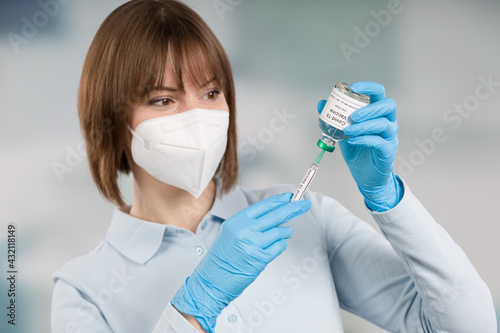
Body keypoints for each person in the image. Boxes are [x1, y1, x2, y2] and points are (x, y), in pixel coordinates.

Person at [51, 1, 497, 332]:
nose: (198, 116)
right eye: (163, 99)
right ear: (111, 122)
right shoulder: (83, 291)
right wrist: (194, 306)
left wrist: (388, 198)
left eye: (210, 93)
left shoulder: (308, 219)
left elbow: (470, 324)